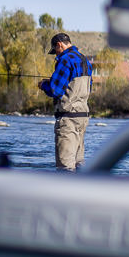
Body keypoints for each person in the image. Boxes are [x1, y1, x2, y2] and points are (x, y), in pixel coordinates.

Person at [38, 33, 92, 171]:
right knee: (79, 164)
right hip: (83, 117)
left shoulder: (65, 60)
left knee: (65, 167)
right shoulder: (85, 60)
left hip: (68, 118)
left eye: (55, 50)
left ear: (59, 45)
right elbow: (85, 87)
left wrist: (43, 85)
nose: (55, 53)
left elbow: (55, 90)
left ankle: (66, 192)